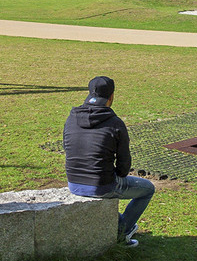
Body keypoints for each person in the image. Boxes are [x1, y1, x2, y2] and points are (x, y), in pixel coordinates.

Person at [63, 76, 155, 247]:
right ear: (111, 96)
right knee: (148, 189)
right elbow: (123, 165)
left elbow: (68, 148)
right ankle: (123, 231)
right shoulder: (115, 123)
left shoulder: (71, 118)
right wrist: (116, 174)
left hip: (73, 183)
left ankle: (118, 226)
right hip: (101, 185)